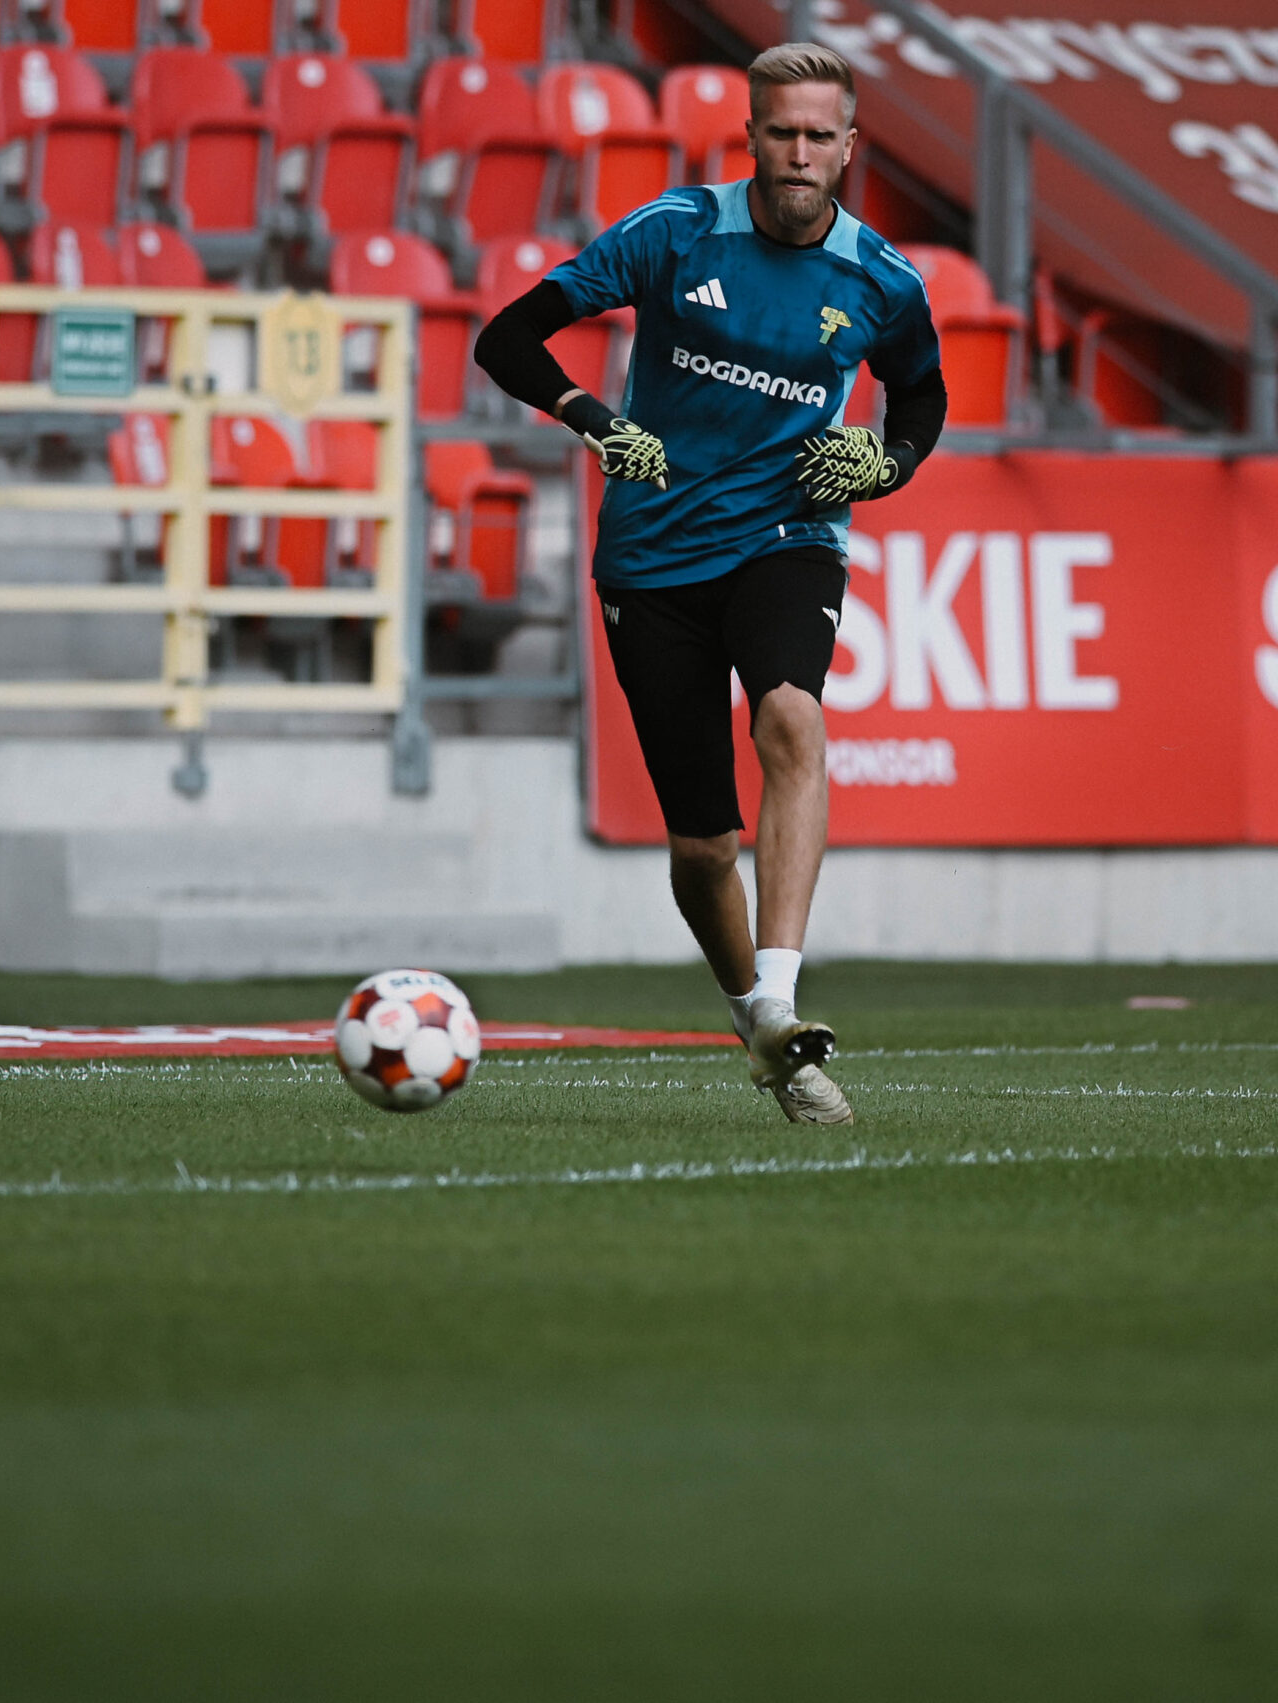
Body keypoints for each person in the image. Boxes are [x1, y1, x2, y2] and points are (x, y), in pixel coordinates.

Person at [474, 42, 946, 1125]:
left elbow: (920, 398)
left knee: (792, 717)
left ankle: (781, 997)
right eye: (781, 132)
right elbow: (508, 338)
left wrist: (886, 462)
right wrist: (593, 419)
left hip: (789, 535)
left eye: (819, 135)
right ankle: (758, 1027)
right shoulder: (675, 232)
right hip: (651, 554)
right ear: (751, 137)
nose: (799, 152)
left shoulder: (883, 280)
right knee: (700, 848)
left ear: (848, 147)